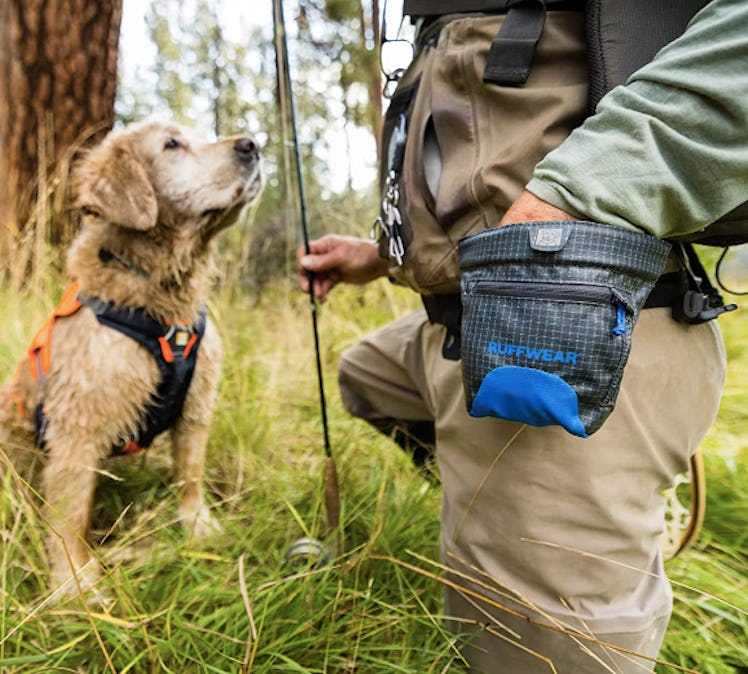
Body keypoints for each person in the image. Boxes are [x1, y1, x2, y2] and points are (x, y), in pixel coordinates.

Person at [297, 0, 745, 671]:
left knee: (537, 655)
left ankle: (555, 506)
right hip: (457, 321)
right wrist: (383, 253)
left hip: (570, 325)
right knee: (366, 372)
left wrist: (592, 189)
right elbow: (478, 148)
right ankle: (486, 497)